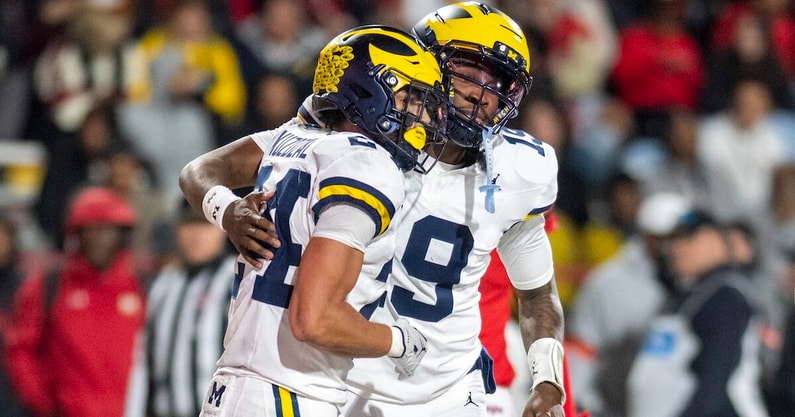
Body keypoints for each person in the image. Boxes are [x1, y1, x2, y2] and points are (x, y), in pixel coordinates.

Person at [181, 3, 566, 416]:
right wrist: (227, 209)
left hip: (448, 390)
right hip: (341, 381)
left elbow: (538, 290)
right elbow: (206, 168)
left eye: (499, 83)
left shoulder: (520, 170)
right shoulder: (355, 131)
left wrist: (548, 380)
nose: (480, 93)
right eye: (469, 71)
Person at [180, 25, 447, 416]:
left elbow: (199, 171)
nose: (422, 116)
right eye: (412, 98)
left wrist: (225, 208)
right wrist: (397, 341)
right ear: (372, 91)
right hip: (290, 393)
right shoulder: (367, 163)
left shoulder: (291, 139)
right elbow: (315, 319)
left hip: (238, 386)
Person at [4, 186, 146, 417]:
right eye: (90, 230)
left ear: (122, 235)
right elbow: (20, 350)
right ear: (75, 236)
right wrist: (43, 403)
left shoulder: (141, 287)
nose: (99, 238)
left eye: (107, 230)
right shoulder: (48, 286)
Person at [627, 210, 770, 417]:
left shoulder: (726, 296)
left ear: (712, 240)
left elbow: (715, 378)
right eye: (672, 241)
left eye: (685, 239)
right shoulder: (689, 292)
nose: (675, 249)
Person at [124, 200, 236, 417]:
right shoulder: (165, 284)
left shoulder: (237, 279)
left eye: (205, 225)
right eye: (189, 225)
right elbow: (144, 361)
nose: (196, 235)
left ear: (222, 230)